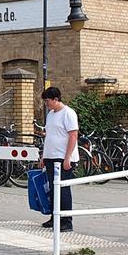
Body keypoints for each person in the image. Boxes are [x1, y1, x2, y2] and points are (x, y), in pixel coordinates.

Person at [38, 86, 78, 232]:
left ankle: (67, 221)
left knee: (63, 189)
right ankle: (55, 217)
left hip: (63, 158)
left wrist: (68, 158)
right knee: (53, 189)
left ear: (56, 99)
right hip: (51, 157)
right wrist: (44, 155)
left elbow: (73, 136)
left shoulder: (68, 113)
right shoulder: (50, 114)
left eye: (47, 101)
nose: (46, 104)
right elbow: (49, 136)